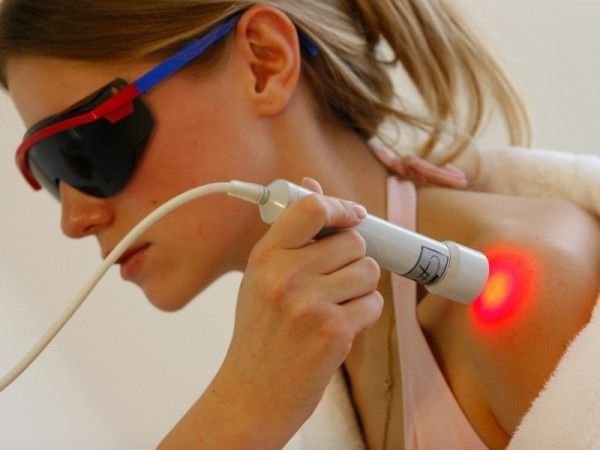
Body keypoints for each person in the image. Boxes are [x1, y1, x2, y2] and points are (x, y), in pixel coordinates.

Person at [1, 1, 599, 448]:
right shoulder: (308, 358)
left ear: (265, 63)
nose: (75, 219)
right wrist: (241, 412)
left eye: (81, 151)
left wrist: (239, 412)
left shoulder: (523, 291)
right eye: (48, 173)